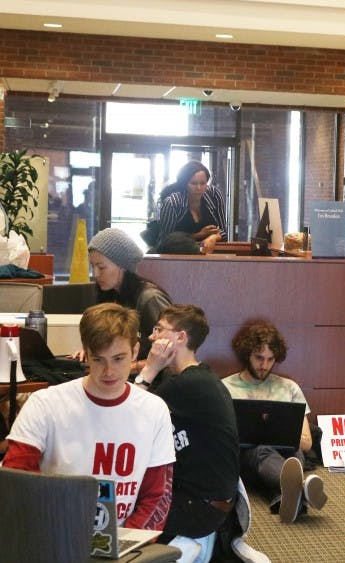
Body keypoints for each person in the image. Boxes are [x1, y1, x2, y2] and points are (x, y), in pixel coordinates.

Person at [3, 303, 175, 530]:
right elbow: (16, 480)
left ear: (135, 352)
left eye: (118, 358)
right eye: (98, 359)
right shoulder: (45, 404)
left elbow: (156, 496)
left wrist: (125, 543)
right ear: (85, 352)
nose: (109, 371)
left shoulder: (154, 410)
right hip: (53, 532)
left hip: (125, 538)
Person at [135, 304, 240, 561]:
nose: (151, 336)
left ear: (180, 337)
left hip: (199, 509)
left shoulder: (190, 385)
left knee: (121, 507)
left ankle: (182, 550)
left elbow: (127, 417)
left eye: (159, 329)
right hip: (203, 499)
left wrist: (150, 368)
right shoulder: (191, 379)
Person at [222, 320, 327, 524]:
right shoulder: (226, 388)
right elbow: (220, 440)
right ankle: (302, 486)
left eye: (270, 359)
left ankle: (290, 497)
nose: (264, 365)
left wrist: (280, 429)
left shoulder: (289, 388)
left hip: (288, 455)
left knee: (293, 455)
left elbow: (306, 444)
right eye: (259, 358)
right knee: (262, 450)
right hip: (249, 458)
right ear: (246, 354)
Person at [87, 227, 173, 361]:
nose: (96, 274)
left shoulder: (150, 298)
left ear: (122, 266)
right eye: (92, 267)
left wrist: (134, 367)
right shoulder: (112, 295)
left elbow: (171, 353)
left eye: (101, 267)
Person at [154, 160, 227, 249]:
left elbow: (224, 232)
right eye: (193, 183)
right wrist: (199, 235)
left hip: (211, 252)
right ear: (184, 184)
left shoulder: (214, 195)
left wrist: (213, 237)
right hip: (178, 255)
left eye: (203, 183)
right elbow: (165, 241)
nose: (199, 188)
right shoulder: (173, 203)